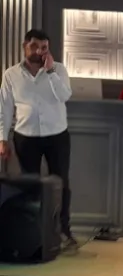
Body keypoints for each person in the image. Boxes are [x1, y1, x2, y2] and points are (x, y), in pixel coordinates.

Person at [0, 29, 77, 250]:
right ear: (25, 46)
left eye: (44, 47)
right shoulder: (11, 74)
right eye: (34, 46)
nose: (39, 51)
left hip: (57, 135)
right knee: (30, 185)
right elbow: (5, 108)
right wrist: (2, 139)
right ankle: (34, 234)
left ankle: (63, 230)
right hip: (26, 136)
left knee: (61, 183)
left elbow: (64, 96)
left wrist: (50, 71)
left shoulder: (58, 70)